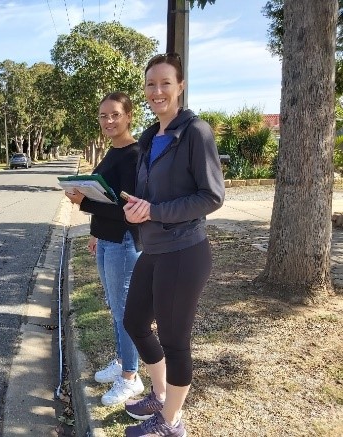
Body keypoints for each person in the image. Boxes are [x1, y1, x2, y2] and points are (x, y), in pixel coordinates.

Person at [121, 53, 225, 437]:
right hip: (155, 249)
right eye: (151, 84)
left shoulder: (195, 132)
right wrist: (135, 209)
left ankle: (172, 422)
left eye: (165, 83)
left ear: (180, 86)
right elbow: (149, 198)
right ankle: (161, 396)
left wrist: (155, 210)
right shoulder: (151, 137)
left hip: (185, 250)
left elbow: (211, 196)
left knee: (174, 339)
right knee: (134, 322)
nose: (157, 91)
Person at [66, 91, 143, 406]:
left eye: (115, 114)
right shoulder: (113, 151)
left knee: (125, 312)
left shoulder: (134, 154)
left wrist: (83, 202)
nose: (109, 121)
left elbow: (130, 209)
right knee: (115, 306)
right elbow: (107, 197)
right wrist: (96, 232)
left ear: (128, 116)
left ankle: (131, 377)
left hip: (124, 242)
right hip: (106, 239)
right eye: (103, 116)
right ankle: (122, 362)